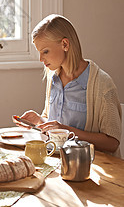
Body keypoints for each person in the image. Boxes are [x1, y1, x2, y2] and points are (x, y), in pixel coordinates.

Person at [20, 14, 122, 157]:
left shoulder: (103, 85)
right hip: (55, 159)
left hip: (88, 166)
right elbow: (55, 126)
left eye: (45, 51)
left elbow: (112, 143)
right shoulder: (53, 77)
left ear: (65, 45)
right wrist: (39, 120)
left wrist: (66, 131)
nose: (41, 59)